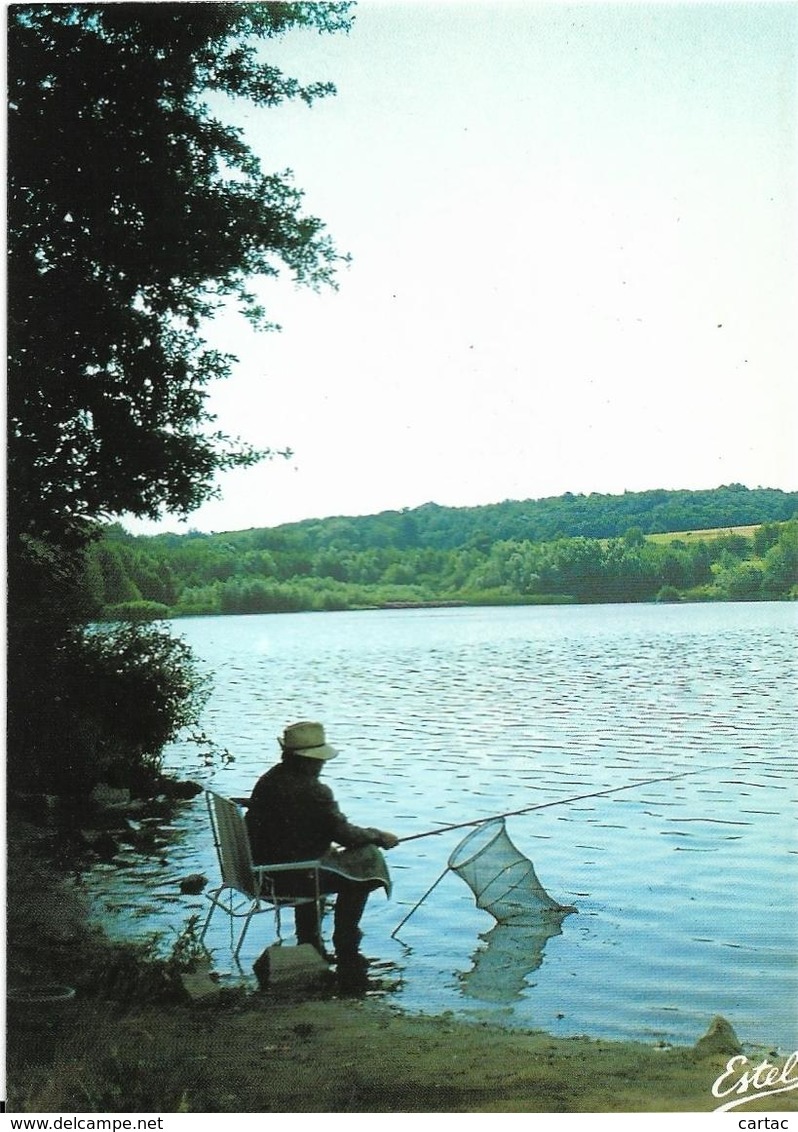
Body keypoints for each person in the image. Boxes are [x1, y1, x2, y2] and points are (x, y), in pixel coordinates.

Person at [245, 720, 398, 986]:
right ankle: (346, 941)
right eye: (318, 760)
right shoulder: (314, 791)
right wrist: (378, 836)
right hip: (290, 877)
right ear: (307, 760)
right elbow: (346, 835)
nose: (321, 764)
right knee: (368, 862)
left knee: (325, 863)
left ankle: (310, 940)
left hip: (264, 872)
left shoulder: (269, 779)